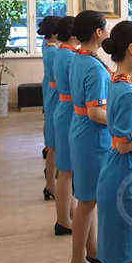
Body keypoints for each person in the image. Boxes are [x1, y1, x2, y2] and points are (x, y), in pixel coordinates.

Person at [97, 21, 132, 263]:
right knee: (117, 257)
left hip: (127, 171)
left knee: (129, 250)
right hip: (125, 175)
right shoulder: (127, 91)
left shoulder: (121, 80)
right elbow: (124, 143)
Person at [68, 10, 111, 263]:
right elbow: (96, 112)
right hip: (91, 137)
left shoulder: (79, 57)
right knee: (86, 202)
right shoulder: (93, 67)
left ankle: (92, 249)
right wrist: (120, 121)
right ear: (97, 32)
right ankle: (77, 261)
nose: (107, 32)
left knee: (89, 198)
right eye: (105, 28)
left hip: (82, 131)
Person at [52, 16, 79, 236]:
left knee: (65, 170)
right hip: (70, 110)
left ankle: (66, 215)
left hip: (64, 108)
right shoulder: (70, 56)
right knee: (67, 171)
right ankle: (63, 220)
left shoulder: (61, 52)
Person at [38, 15, 61, 202]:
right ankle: (51, 184)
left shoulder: (48, 45)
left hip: (50, 89)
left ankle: (51, 179)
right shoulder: (54, 51)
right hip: (55, 92)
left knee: (52, 136)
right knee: (54, 142)